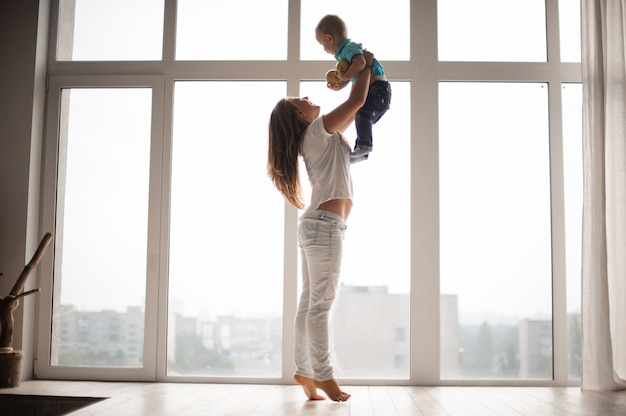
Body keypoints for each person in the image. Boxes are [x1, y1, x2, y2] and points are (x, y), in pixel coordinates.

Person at [267, 49, 376, 402]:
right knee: (321, 305)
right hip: (325, 227)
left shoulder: (317, 136)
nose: (311, 99)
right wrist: (363, 66)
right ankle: (324, 375)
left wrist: (357, 75)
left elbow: (356, 108)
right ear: (300, 115)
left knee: (308, 304)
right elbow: (357, 99)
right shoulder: (316, 132)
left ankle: (304, 370)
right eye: (304, 100)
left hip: (318, 226)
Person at [315, 14, 391, 163]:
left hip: (378, 88)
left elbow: (361, 63)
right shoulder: (344, 55)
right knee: (361, 116)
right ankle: (362, 150)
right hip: (374, 89)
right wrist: (340, 84)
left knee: (362, 114)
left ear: (329, 38)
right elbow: (353, 76)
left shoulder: (349, 48)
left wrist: (344, 76)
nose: (325, 49)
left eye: (323, 45)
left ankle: (364, 148)